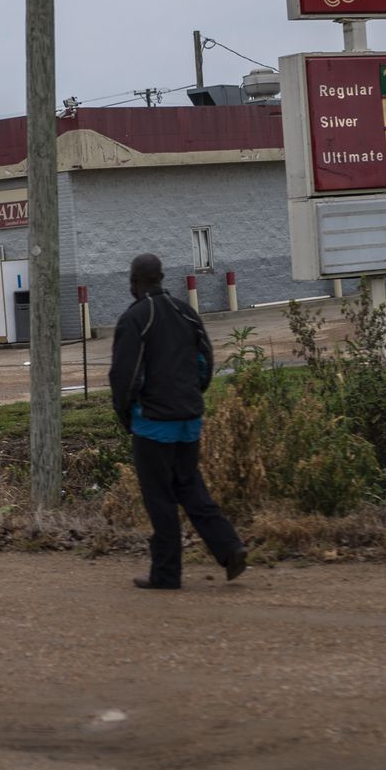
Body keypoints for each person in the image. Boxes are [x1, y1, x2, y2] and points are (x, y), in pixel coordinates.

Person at [108, 253, 246, 590]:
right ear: (162, 277)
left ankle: (166, 574)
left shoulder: (135, 318)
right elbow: (205, 362)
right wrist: (191, 398)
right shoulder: (187, 312)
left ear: (134, 282)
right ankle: (230, 548)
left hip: (153, 424)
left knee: (159, 497)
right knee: (190, 486)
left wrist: (126, 416)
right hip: (189, 420)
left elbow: (124, 378)